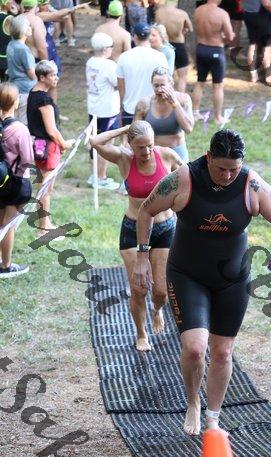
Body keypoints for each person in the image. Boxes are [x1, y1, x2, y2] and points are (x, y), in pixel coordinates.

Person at [134, 129, 271, 435]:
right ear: (208, 157)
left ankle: (213, 418)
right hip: (187, 274)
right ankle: (193, 401)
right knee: (195, 349)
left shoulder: (251, 184)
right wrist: (143, 257)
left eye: (234, 169)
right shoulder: (184, 179)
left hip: (232, 279)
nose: (228, 175)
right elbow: (146, 211)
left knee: (222, 352)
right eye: (221, 168)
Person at [90, 120, 183, 351]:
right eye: (141, 147)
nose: (147, 151)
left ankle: (157, 310)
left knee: (161, 292)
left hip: (164, 228)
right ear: (130, 144)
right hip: (133, 229)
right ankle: (141, 334)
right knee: (139, 289)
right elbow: (95, 141)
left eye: (150, 145)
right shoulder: (124, 158)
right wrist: (125, 129)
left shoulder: (167, 155)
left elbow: (189, 178)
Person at [27, 60, 74, 234]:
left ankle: (45, 223)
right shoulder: (44, 99)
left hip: (40, 146)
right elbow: (52, 130)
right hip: (47, 147)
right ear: (42, 77)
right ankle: (43, 228)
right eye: (52, 75)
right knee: (45, 189)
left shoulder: (33, 93)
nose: (56, 78)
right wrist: (64, 143)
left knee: (45, 187)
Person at [0, 82, 33, 278]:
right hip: (16, 182)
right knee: (8, 225)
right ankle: (6, 266)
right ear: (15, 102)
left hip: (0, 180)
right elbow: (27, 158)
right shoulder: (19, 128)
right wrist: (19, 173)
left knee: (1, 222)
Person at [134, 66, 193, 162]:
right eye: (156, 86)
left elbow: (188, 128)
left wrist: (175, 103)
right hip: (153, 154)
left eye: (162, 85)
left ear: (171, 84)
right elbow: (134, 133)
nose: (159, 89)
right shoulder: (144, 104)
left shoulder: (183, 99)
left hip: (178, 153)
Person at [116, 22, 168, 127]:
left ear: (134, 37)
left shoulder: (124, 57)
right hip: (153, 109)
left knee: (130, 137)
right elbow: (166, 84)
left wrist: (120, 107)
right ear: (149, 37)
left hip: (130, 109)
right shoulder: (160, 57)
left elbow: (121, 87)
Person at [86, 32, 119, 190]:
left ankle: (95, 174)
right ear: (106, 49)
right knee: (106, 145)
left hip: (94, 107)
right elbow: (117, 83)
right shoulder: (109, 65)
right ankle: (101, 177)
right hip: (107, 110)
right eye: (111, 46)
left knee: (96, 142)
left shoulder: (90, 62)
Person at [192, 0, 234, 125]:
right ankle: (217, 117)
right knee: (218, 85)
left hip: (201, 48)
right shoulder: (222, 13)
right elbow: (230, 36)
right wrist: (226, 38)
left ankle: (195, 113)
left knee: (200, 82)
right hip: (215, 50)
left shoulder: (198, 10)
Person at [155, 2, 193, 92]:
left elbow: (157, 27)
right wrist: (183, 30)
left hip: (164, 45)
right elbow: (190, 28)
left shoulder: (158, 12)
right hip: (178, 44)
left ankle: (164, 96)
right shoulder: (182, 14)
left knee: (164, 76)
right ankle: (179, 98)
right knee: (182, 77)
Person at [6, 15, 36, 125]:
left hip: (14, 87)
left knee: (13, 121)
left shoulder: (11, 44)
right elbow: (31, 73)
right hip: (26, 90)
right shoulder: (23, 50)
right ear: (23, 30)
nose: (31, 27)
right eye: (28, 25)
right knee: (24, 123)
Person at [0, 0, 13, 82]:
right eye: (10, 2)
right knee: (5, 84)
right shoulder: (9, 19)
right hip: (4, 58)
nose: (12, 4)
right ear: (5, 4)